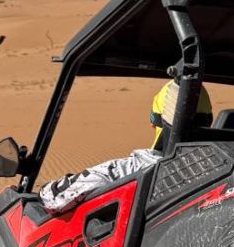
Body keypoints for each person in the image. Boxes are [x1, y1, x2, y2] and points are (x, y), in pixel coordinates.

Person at [39, 79, 212, 212]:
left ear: (155, 123)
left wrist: (43, 191)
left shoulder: (128, 170)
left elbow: (56, 199)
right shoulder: (217, 167)